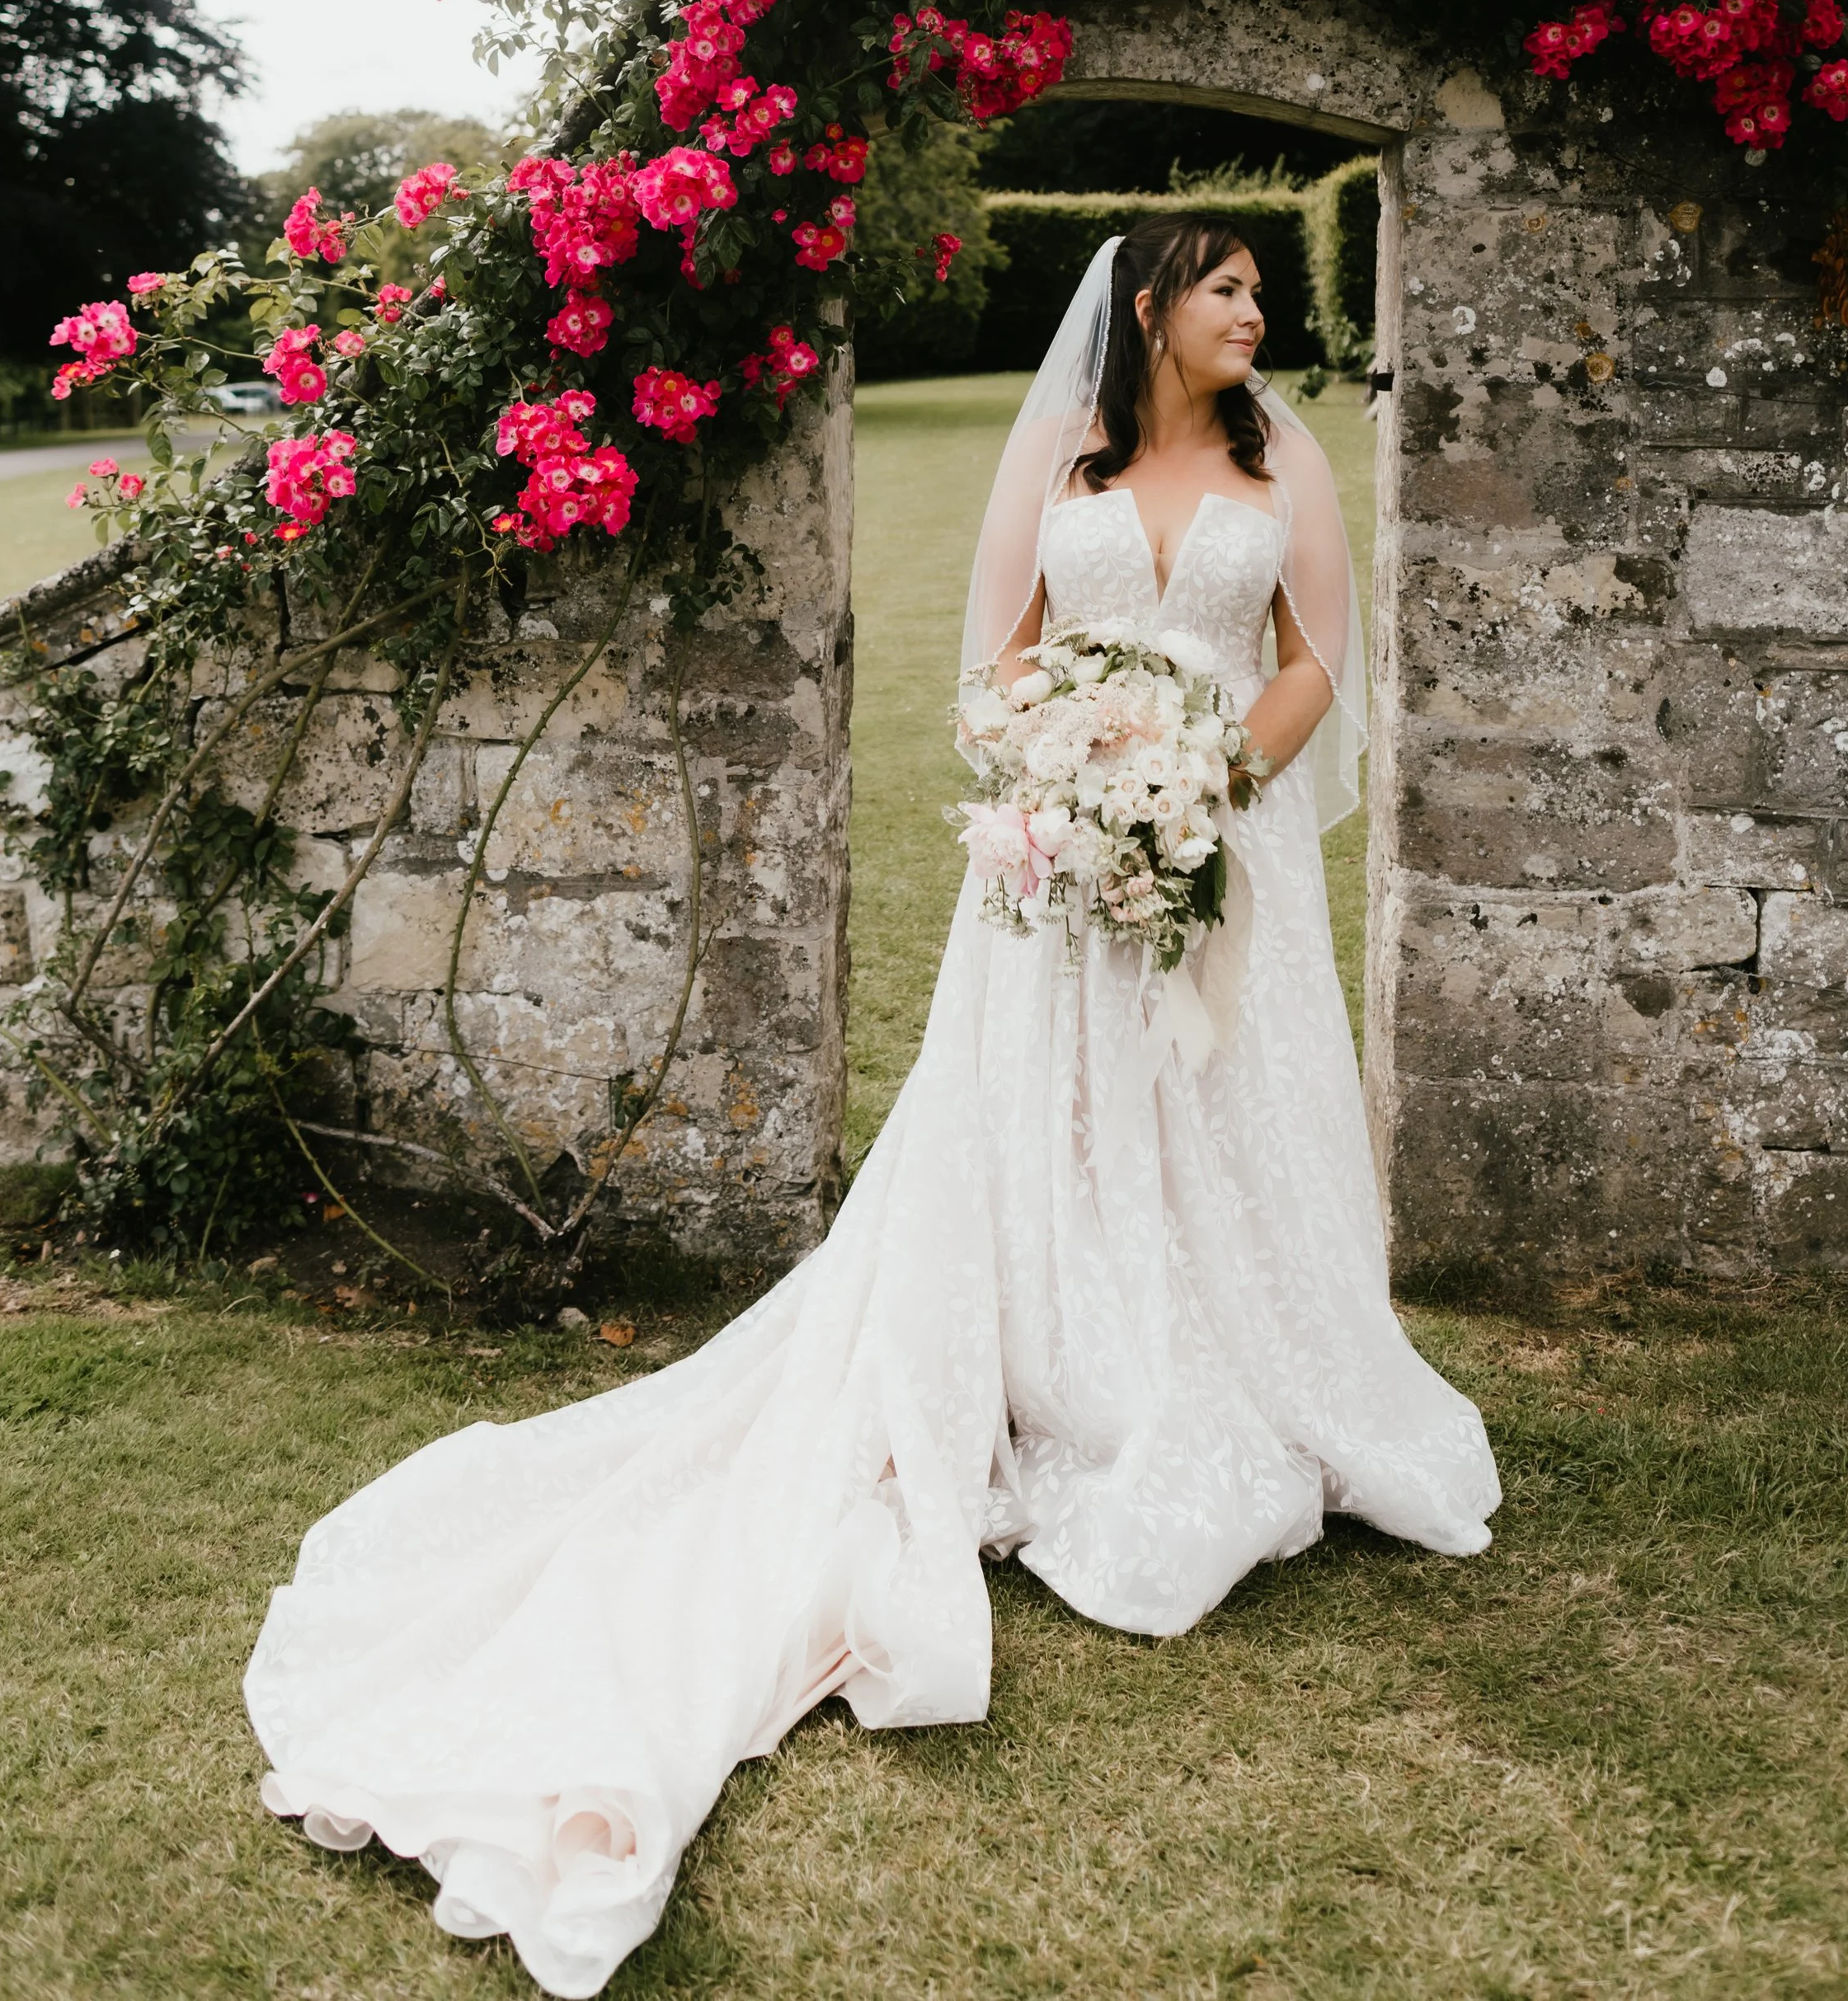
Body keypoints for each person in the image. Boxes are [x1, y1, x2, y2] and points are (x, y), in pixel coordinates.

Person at [246, 214, 1500, 1998]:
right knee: (1060, 1118)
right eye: (1225, 289)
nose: (1252, 316)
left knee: (1220, 1116)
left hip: (1225, 858)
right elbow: (989, 675)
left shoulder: (1276, 452)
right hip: (1052, 871)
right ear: (1150, 303)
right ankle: (1062, 1348)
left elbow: (1309, 662)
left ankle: (1234, 1361)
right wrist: (1070, 780)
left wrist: (1199, 779)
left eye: (1257, 295)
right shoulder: (1056, 458)